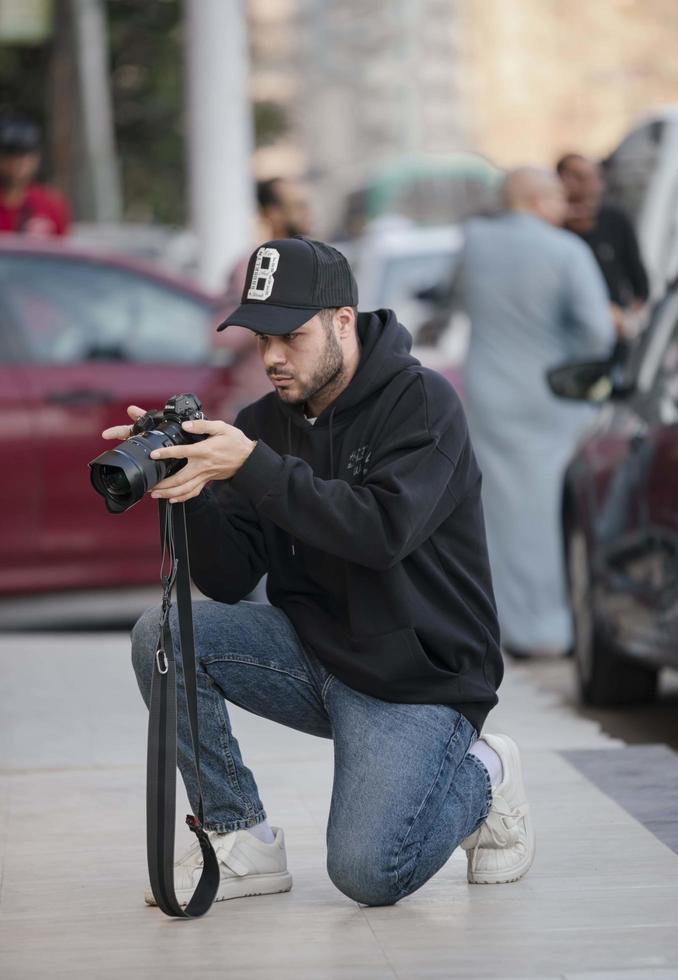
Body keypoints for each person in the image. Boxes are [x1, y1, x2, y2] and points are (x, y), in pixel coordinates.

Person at [104, 236, 535, 908]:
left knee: (368, 872)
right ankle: (239, 837)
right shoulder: (260, 425)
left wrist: (252, 468)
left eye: (291, 336)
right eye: (259, 338)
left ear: (341, 321)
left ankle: (488, 773)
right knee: (162, 635)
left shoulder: (423, 405)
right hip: (314, 653)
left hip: (418, 679)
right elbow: (226, 579)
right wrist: (189, 491)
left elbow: (380, 533)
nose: (272, 357)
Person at [460, 169, 616, 659]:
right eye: (554, 195)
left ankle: (507, 625)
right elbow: (597, 334)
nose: (562, 205)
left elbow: (447, 294)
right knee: (554, 507)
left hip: (489, 391)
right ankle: (554, 628)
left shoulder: (474, 242)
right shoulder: (566, 250)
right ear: (534, 199)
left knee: (501, 511)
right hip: (552, 394)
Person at [556, 153, 649, 328]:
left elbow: (639, 283)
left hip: (608, 329)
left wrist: (628, 320)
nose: (586, 185)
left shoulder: (614, 220)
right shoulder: (550, 225)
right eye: (576, 177)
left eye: (591, 177)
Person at [222, 177, 311, 313]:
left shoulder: (317, 260)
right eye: (298, 206)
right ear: (273, 213)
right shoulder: (252, 267)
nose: (308, 214)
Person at [0, 117, 69, 237]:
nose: (18, 163)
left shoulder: (50, 205)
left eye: (25, 155)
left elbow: (63, 251)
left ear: (36, 159)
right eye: (10, 155)